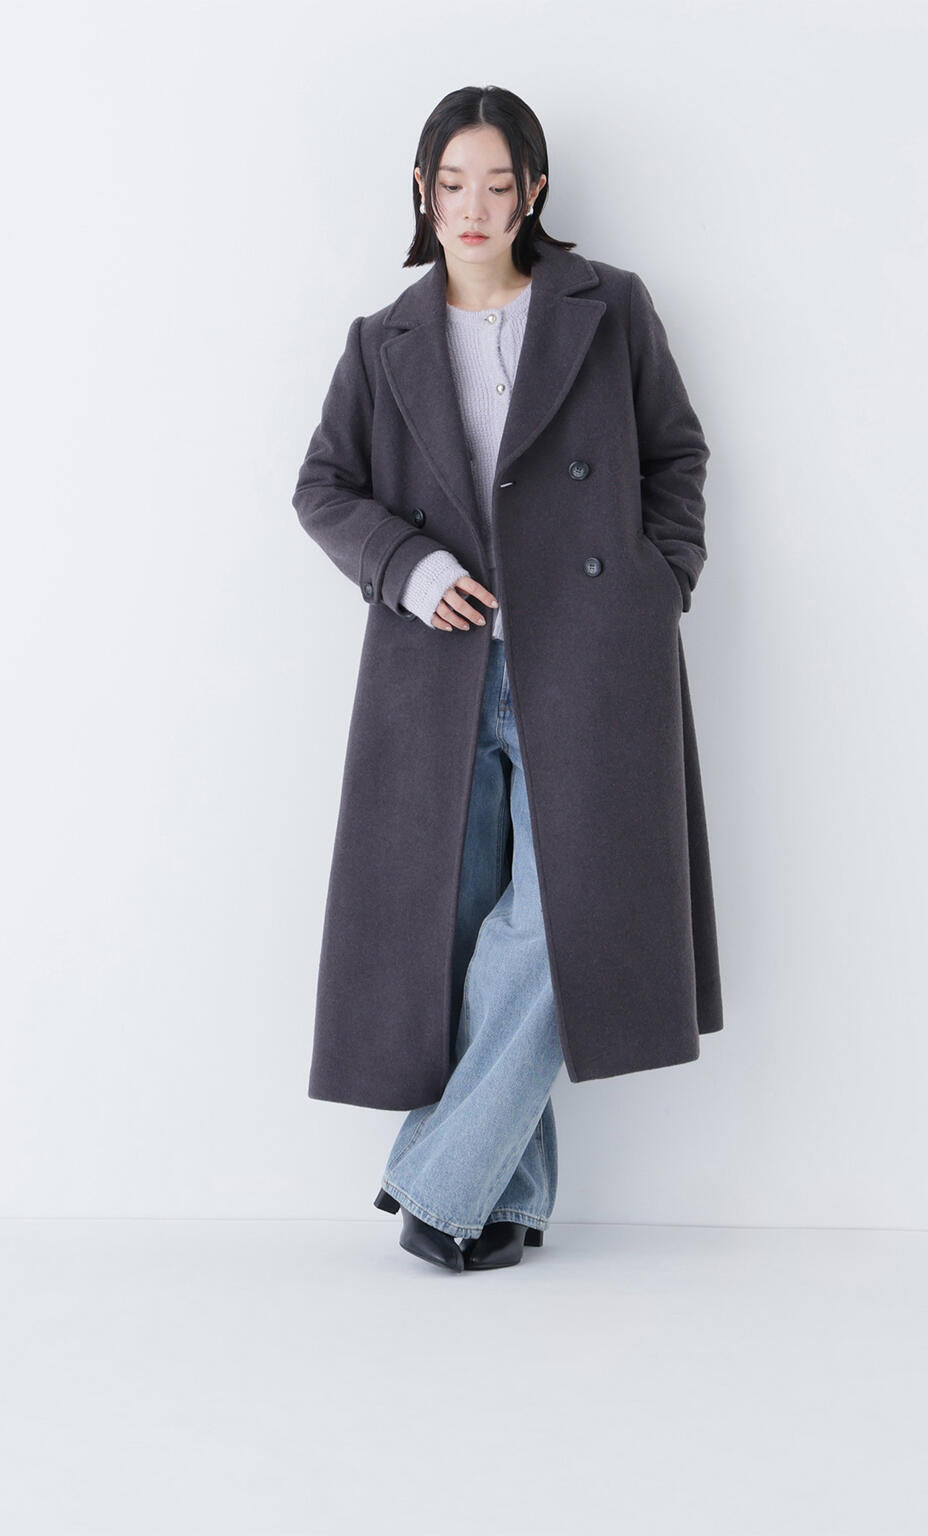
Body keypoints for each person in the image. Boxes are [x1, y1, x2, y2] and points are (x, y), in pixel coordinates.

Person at [292, 85, 719, 1274]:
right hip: (437, 672)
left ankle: (439, 1186)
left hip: (588, 666)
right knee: (457, 929)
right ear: (420, 192)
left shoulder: (604, 307)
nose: (471, 208)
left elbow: (674, 455)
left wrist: (655, 586)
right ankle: (503, 1205)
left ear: (532, 191)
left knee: (551, 924)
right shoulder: (382, 338)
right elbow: (321, 487)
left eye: (494, 183)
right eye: (450, 184)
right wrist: (407, 567)